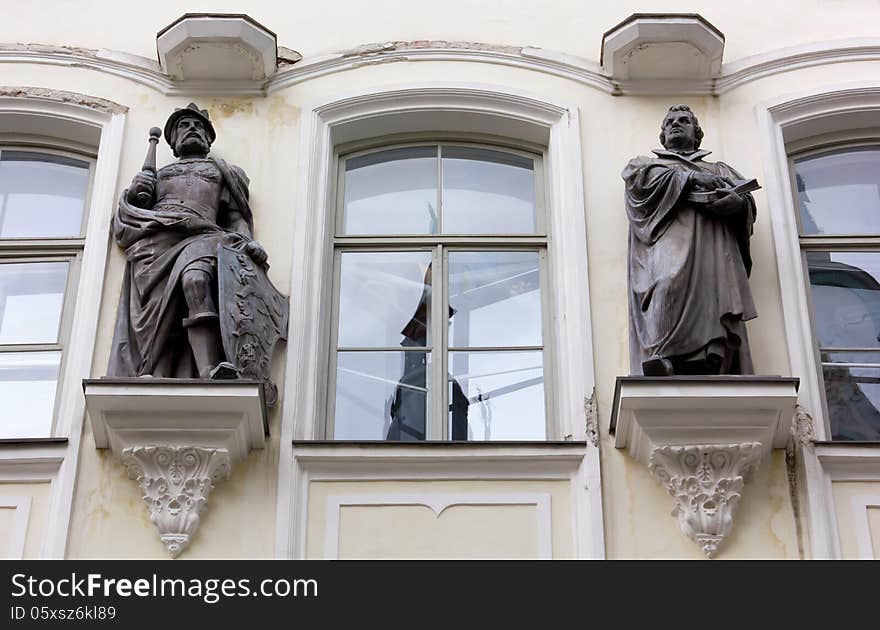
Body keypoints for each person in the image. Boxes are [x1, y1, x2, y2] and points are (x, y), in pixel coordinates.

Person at [108, 103, 278, 381]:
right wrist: (136, 193)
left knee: (195, 281)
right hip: (156, 241)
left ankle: (209, 369)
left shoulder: (224, 173)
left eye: (199, 126)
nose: (192, 130)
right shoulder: (157, 174)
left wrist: (248, 242)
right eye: (184, 126)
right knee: (160, 310)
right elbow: (136, 212)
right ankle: (150, 370)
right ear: (173, 141)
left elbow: (236, 218)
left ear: (209, 140)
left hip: (203, 235)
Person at [622, 105, 758, 376]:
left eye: (684, 121)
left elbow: (746, 201)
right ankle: (662, 355)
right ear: (662, 134)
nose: (676, 124)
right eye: (670, 121)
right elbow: (638, 182)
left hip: (712, 246)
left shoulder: (718, 168)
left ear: (696, 133)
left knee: (714, 291)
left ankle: (714, 355)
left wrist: (736, 202)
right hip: (666, 243)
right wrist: (693, 177)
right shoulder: (648, 164)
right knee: (667, 282)